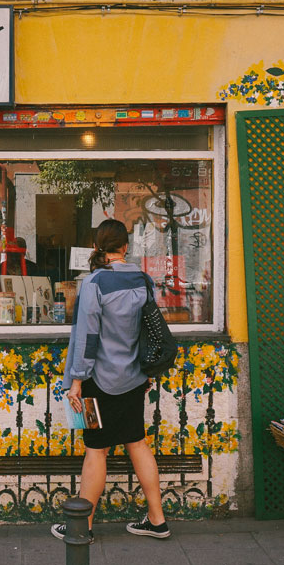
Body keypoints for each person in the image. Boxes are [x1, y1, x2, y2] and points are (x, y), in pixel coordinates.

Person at [51, 219, 170, 542]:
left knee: (96, 450)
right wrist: (146, 372)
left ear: (97, 247)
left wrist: (76, 380)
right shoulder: (143, 280)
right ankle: (158, 520)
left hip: (97, 383)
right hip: (134, 379)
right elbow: (149, 329)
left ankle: (82, 526)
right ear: (125, 247)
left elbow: (88, 337)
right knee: (137, 443)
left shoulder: (94, 283)